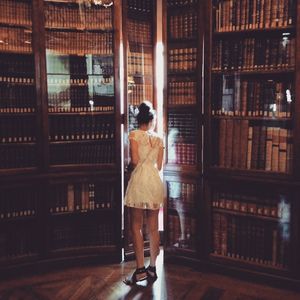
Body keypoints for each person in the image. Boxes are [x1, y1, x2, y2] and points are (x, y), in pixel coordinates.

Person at [123, 101, 164, 285]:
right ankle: (153, 268)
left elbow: (135, 160)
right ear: (152, 119)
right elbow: (160, 165)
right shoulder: (159, 139)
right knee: (153, 227)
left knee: (136, 226)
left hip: (139, 181)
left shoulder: (134, 134)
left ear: (138, 119)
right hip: (154, 181)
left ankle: (140, 269)